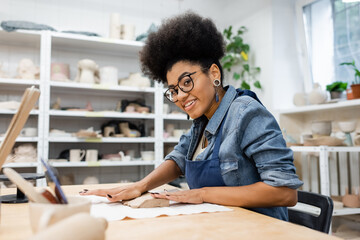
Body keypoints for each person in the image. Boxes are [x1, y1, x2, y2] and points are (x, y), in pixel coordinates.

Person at [80, 12, 303, 221]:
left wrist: (203, 194)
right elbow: (178, 160)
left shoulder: (246, 113)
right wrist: (140, 186)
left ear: (214, 73)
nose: (180, 96)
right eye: (174, 90)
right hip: (219, 226)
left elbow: (284, 192)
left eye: (187, 82)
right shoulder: (202, 122)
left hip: (260, 230)